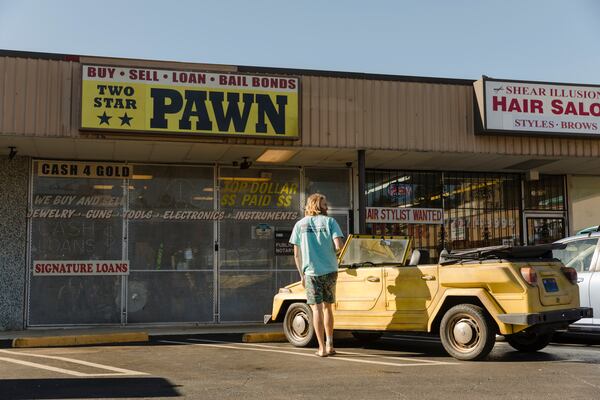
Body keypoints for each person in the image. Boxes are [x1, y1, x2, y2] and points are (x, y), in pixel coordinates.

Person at [289, 193, 344, 357]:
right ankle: (330, 345)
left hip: (311, 272)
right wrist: (327, 252)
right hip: (330, 270)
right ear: (318, 206)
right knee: (328, 308)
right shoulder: (331, 222)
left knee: (317, 309)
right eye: (325, 204)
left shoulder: (300, 225)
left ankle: (321, 348)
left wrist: (301, 274)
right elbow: (339, 246)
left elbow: (296, 254)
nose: (327, 207)